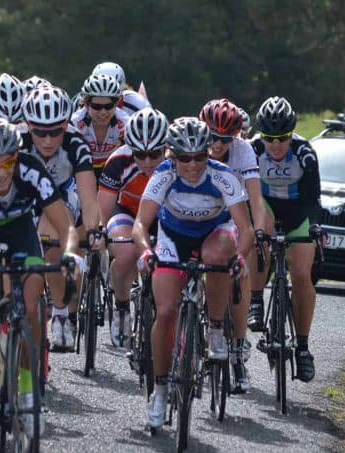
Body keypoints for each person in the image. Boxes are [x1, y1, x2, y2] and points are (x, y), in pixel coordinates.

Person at [0, 118, 75, 438]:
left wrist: (72, 254)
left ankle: (28, 391)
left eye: (8, 162)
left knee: (32, 305)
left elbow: (65, 227)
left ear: (17, 157)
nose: (1, 172)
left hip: (22, 233)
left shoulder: (32, 170)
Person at [132, 117, 253, 429]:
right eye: (184, 158)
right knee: (167, 311)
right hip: (174, 237)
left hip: (215, 232)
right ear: (172, 155)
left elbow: (246, 229)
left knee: (216, 256)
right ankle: (159, 390)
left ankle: (215, 329)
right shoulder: (163, 174)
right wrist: (146, 251)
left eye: (200, 156)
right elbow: (141, 225)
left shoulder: (222, 175)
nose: (193, 164)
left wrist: (239, 258)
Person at [19, 86, 99, 351]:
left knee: (53, 243)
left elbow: (88, 199)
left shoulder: (76, 144)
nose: (48, 140)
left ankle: (61, 313)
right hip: (24, 197)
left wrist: (93, 230)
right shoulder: (15, 140)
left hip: (62, 195)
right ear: (27, 125)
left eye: (56, 131)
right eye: (39, 131)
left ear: (66, 125)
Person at [248, 96, 321, 383]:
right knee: (261, 233)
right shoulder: (253, 150)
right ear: (261, 136)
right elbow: (247, 194)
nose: (276, 145)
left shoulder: (305, 153)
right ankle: (256, 299)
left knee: (302, 275)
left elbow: (314, 199)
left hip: (297, 214)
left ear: (291, 134)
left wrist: (314, 226)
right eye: (269, 138)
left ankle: (302, 347)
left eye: (282, 138)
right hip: (265, 206)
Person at [199, 98, 265, 393]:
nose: (216, 144)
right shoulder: (193, 142)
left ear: (235, 137)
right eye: (212, 137)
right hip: (198, 216)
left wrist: (260, 230)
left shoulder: (243, 151)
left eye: (224, 139)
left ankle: (238, 351)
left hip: (230, 218)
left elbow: (256, 198)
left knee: (240, 274)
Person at [97, 107, 169, 347]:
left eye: (155, 153)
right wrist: (98, 232)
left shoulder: (176, 162)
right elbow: (104, 208)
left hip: (163, 217)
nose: (147, 161)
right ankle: (121, 306)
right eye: (140, 154)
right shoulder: (118, 160)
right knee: (126, 252)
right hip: (127, 212)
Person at [71, 74, 130, 178]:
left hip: (113, 171)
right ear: (86, 104)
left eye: (108, 106)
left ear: (116, 104)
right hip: (81, 170)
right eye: (96, 106)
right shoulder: (74, 123)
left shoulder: (125, 123)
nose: (103, 112)